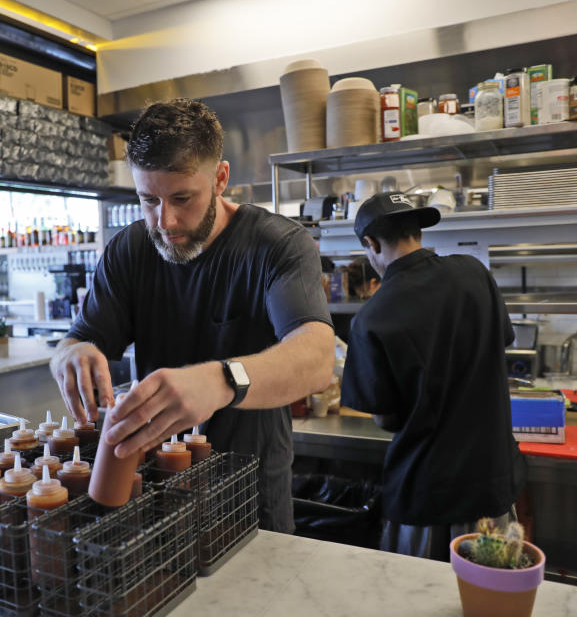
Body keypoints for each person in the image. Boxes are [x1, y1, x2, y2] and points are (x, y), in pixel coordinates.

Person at [50, 98, 334, 532]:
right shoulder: (129, 249)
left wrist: (222, 381)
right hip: (157, 493)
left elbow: (316, 359)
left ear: (220, 178)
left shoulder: (276, 245)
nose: (165, 220)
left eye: (182, 197)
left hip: (250, 498)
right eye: (148, 200)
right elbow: (79, 338)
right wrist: (69, 354)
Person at [339, 192, 525, 560]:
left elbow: (385, 418)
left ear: (371, 244)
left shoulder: (372, 317)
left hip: (427, 495)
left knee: (421, 599)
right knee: (492, 595)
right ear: (417, 232)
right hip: (491, 487)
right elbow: (497, 345)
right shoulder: (475, 273)